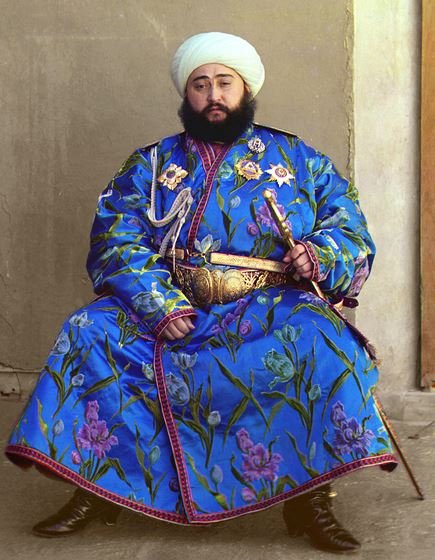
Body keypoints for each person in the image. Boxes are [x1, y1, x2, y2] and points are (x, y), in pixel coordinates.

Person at [6, 32, 397, 552]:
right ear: (186, 93)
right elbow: (115, 237)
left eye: (224, 83)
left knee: (322, 341)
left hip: (269, 307)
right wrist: (159, 304)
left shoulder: (299, 159)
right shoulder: (150, 164)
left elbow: (351, 231)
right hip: (173, 302)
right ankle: (96, 485)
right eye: (201, 84)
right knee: (89, 330)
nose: (214, 95)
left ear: (245, 89)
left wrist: (319, 255)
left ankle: (310, 500)